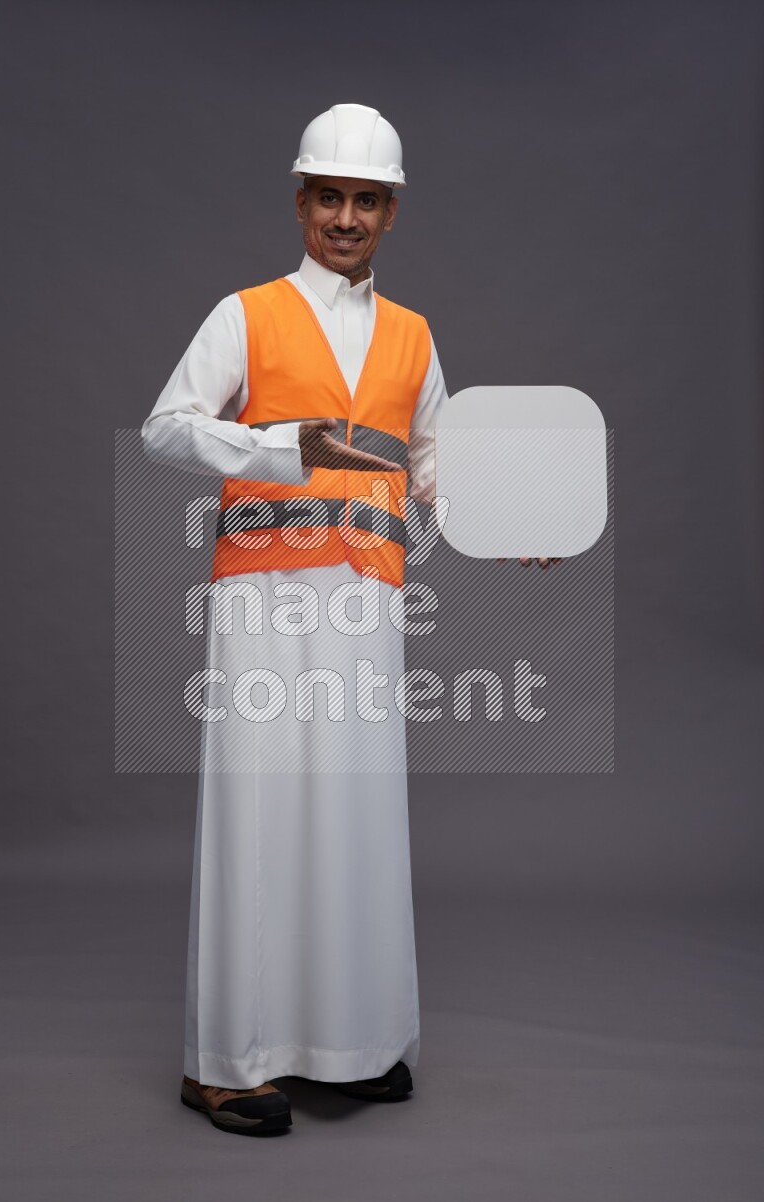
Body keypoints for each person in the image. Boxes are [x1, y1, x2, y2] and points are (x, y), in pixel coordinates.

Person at [142, 102, 558, 1137]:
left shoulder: (413, 335)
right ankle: (222, 1062)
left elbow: (431, 466)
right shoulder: (245, 314)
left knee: (354, 817)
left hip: (366, 594)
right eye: (327, 195)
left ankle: (351, 1043)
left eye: (363, 199)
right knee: (257, 811)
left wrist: (507, 522)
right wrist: (290, 444)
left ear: (390, 211)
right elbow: (166, 428)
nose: (343, 215)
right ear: (299, 202)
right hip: (263, 593)